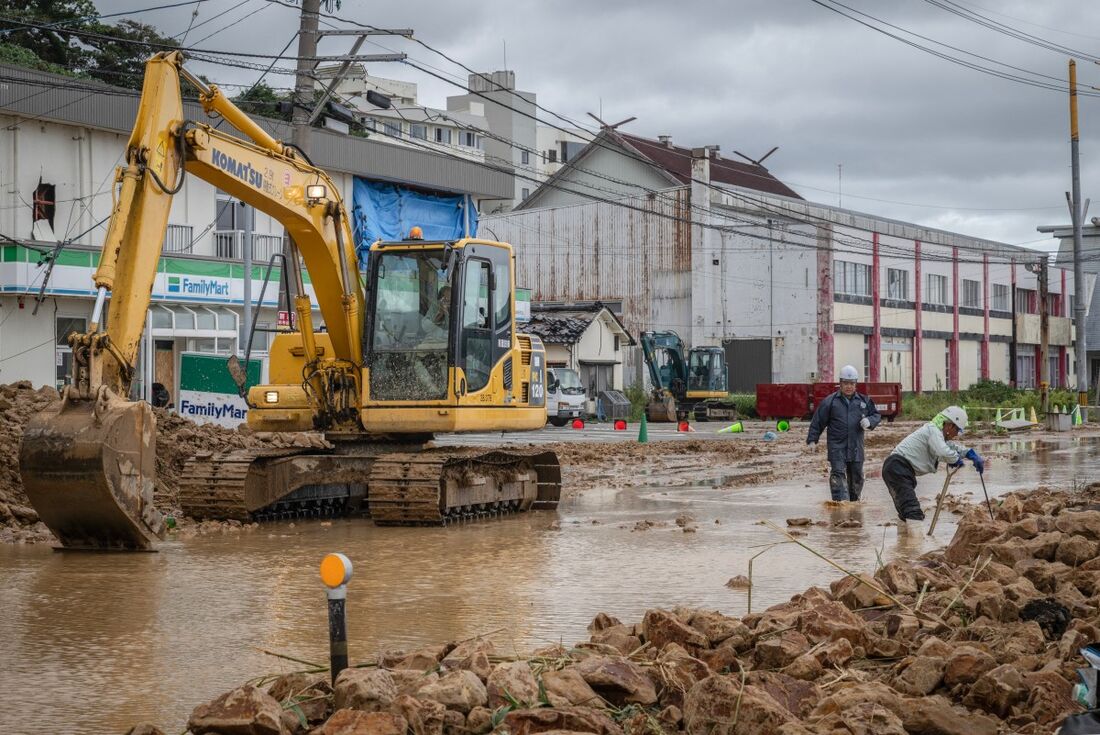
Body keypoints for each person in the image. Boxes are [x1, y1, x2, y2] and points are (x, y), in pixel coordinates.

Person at [882, 405, 985, 521]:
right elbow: (943, 452)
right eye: (957, 430)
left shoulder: (937, 434)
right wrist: (956, 460)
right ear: (950, 425)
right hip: (897, 468)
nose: (957, 434)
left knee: (905, 512)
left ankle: (905, 538)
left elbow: (948, 447)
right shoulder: (933, 431)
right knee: (913, 512)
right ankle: (915, 538)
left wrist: (969, 453)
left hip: (898, 470)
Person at [806, 365, 881, 501]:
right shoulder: (830, 402)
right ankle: (841, 506)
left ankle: (854, 505)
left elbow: (876, 415)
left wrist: (870, 421)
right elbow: (818, 421)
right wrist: (812, 440)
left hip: (856, 447)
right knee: (838, 475)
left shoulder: (864, 401)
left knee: (856, 477)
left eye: (852, 383)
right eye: (845, 383)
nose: (849, 387)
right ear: (840, 383)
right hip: (837, 447)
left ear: (856, 384)